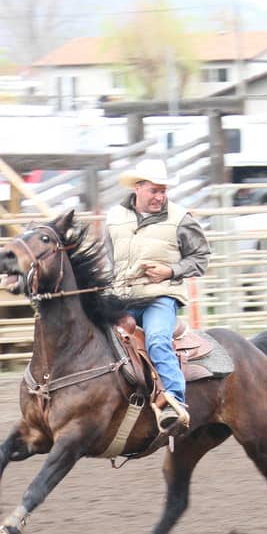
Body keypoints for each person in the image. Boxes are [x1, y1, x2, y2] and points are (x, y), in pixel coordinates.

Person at [103, 159, 210, 433]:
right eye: (154, 190)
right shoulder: (114, 218)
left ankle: (175, 402)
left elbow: (200, 259)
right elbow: (109, 260)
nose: (160, 197)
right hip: (122, 296)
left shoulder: (180, 218)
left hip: (160, 297)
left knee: (158, 340)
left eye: (163, 191)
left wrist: (170, 270)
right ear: (138, 188)